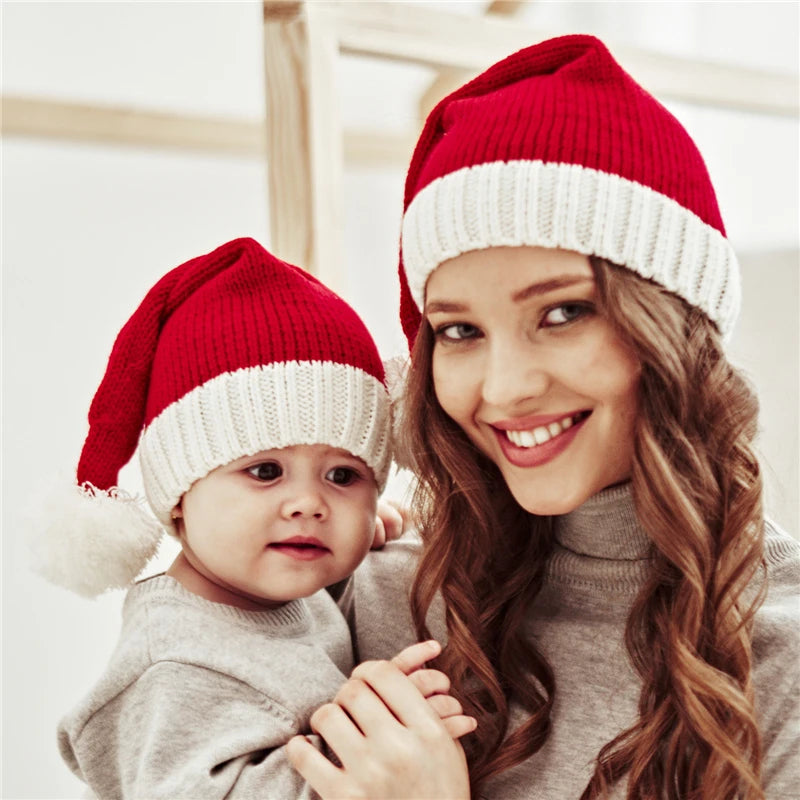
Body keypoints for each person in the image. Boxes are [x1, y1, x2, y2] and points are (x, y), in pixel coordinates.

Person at [287, 35, 800, 800]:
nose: (505, 386)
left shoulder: (780, 650)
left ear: (673, 326)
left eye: (563, 313)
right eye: (459, 330)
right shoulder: (382, 598)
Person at [33, 238, 474, 799]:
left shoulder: (275, 587)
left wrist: (359, 536)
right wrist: (376, 740)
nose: (309, 504)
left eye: (343, 477)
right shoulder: (173, 663)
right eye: (266, 472)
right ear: (179, 495)